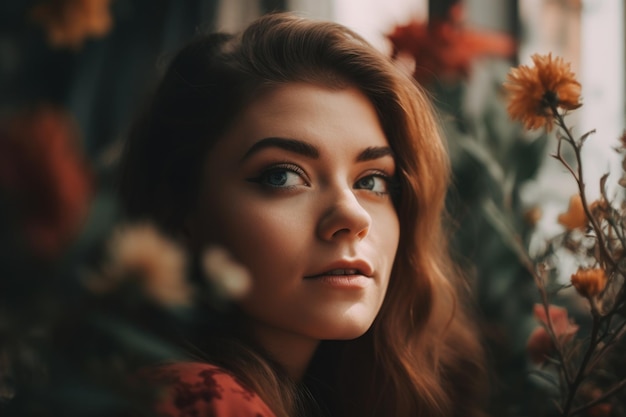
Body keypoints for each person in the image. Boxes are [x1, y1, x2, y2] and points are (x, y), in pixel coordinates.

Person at [118, 12, 487, 417]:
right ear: (181, 210)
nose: (353, 216)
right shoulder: (200, 400)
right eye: (282, 176)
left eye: (373, 182)